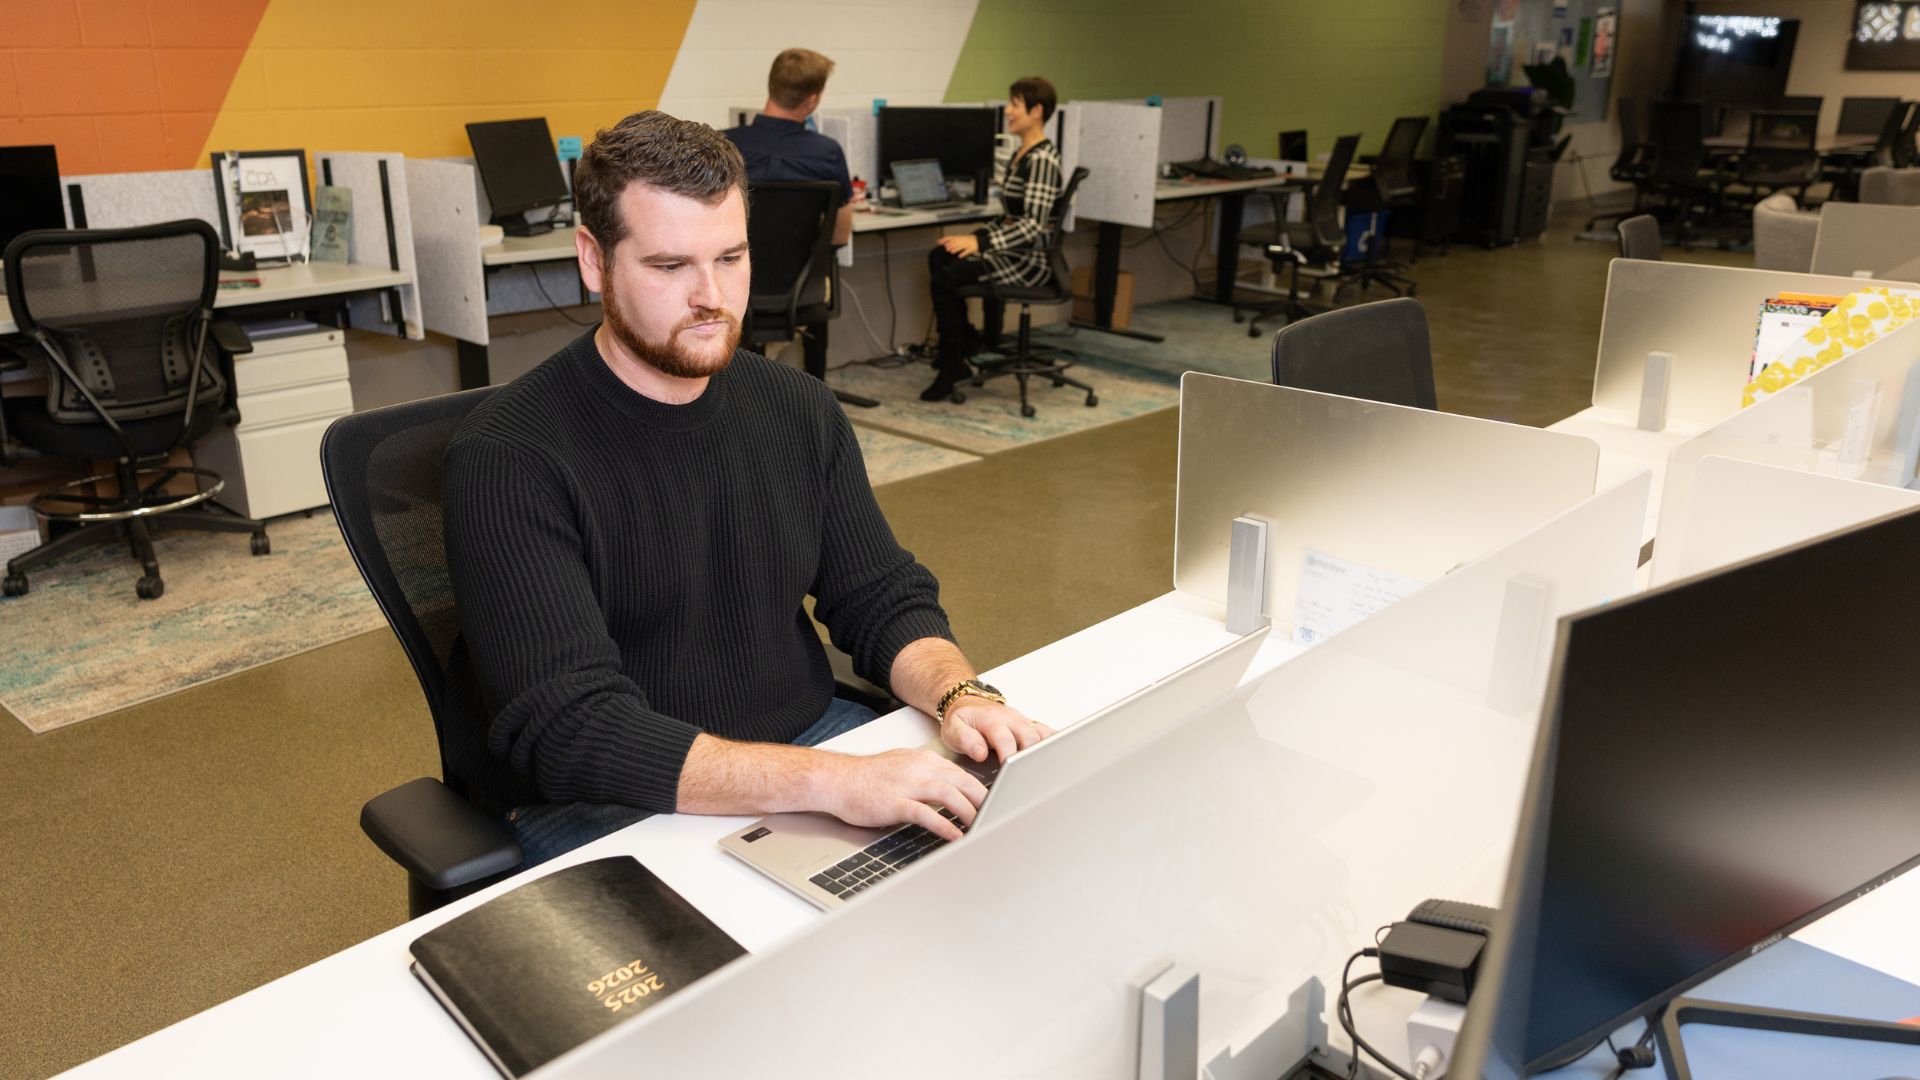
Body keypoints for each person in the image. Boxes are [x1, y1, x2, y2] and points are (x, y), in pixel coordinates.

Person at [441, 111, 1053, 869]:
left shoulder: (797, 409)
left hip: (802, 748)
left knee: (1011, 862)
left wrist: (960, 695)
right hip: (613, 801)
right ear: (594, 261)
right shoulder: (510, 458)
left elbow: (880, 597)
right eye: (669, 267)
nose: (711, 296)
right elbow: (575, 732)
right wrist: (833, 782)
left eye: (731, 257)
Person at [921, 77, 1064, 403]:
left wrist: (982, 245)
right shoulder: (1021, 153)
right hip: (1012, 250)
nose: (1008, 111)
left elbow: (1033, 225)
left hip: (1028, 260)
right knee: (940, 255)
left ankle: (953, 364)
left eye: (1015, 104)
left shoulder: (1042, 160)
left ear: (1037, 111)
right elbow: (1009, 215)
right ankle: (965, 344)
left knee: (947, 278)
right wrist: (975, 237)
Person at [723, 48, 853, 384]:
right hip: (803, 290)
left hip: (736, 287)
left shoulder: (725, 146)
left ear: (771, 88)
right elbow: (839, 236)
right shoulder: (827, 153)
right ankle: (817, 393)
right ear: (811, 101)